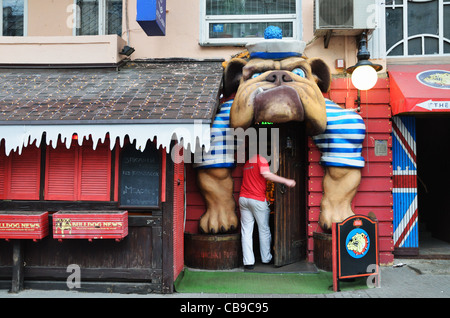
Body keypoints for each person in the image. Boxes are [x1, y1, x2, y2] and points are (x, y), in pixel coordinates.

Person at [239, 154, 296, 269]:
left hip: (243, 199)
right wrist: (285, 181)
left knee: (246, 231)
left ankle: (248, 262)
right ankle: (266, 258)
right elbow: (266, 175)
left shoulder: (247, 163)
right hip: (257, 199)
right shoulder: (261, 159)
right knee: (264, 229)